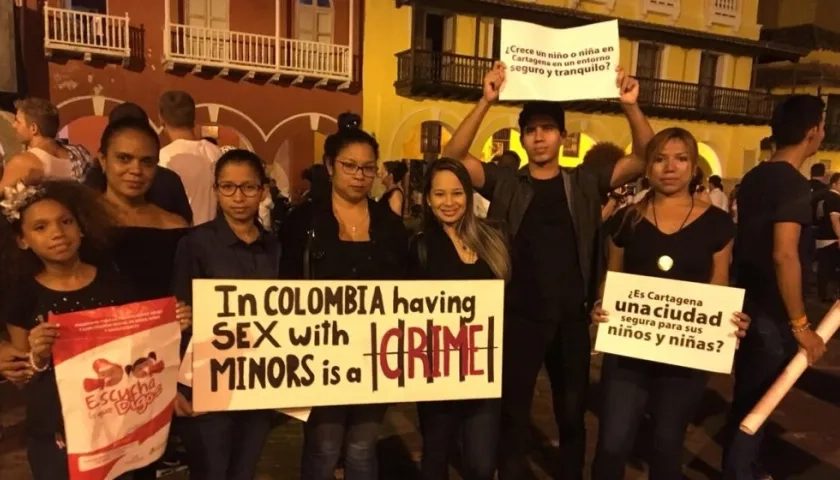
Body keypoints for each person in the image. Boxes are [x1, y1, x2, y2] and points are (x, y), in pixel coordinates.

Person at [441, 61, 653, 480]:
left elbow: (644, 157)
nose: (539, 137)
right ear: (522, 138)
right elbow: (453, 157)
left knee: (572, 415)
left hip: (571, 319)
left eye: (547, 129)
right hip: (518, 318)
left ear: (562, 135)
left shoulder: (585, 182)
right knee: (513, 415)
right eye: (531, 130)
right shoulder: (506, 182)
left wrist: (630, 105)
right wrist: (486, 100)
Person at [0, 180, 191, 479]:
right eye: (40, 227)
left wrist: (170, 325)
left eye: (66, 222)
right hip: (57, 431)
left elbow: (140, 349)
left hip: (118, 425)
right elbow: (22, 377)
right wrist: (37, 355)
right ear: (23, 240)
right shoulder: (22, 294)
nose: (57, 233)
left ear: (81, 227)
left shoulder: (115, 282)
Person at [589, 128, 750, 479]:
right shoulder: (626, 219)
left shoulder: (718, 224)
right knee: (613, 443)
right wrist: (601, 304)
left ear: (694, 166)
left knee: (666, 445)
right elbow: (612, 277)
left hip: (684, 358)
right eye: (660, 159)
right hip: (628, 354)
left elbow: (719, 285)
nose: (670, 167)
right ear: (648, 166)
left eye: (680, 159)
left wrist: (729, 322)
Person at [279, 125, 409, 480]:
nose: (359, 175)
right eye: (349, 165)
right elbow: (284, 284)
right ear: (330, 165)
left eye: (368, 167)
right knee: (324, 446)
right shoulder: (303, 222)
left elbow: (407, 286)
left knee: (362, 447)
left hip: (374, 354)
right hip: (319, 353)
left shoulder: (389, 225)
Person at [726, 94, 829, 480]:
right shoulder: (793, 184)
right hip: (773, 311)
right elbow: (784, 254)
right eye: (822, 126)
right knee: (761, 402)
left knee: (747, 395)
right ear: (811, 132)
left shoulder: (754, 177)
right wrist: (801, 325)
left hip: (748, 301)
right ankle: (740, 471)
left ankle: (749, 468)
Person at [171, 149, 278, 480]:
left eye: (248, 187)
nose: (238, 197)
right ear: (215, 190)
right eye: (228, 187)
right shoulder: (195, 244)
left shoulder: (276, 247)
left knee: (244, 470)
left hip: (259, 380)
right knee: (211, 471)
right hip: (206, 379)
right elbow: (178, 318)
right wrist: (176, 384)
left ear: (263, 190)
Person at [410, 158, 511, 480]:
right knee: (436, 457)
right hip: (436, 371)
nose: (449, 202)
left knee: (482, 463)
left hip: (482, 370)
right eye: (439, 194)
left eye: (456, 193)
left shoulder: (492, 238)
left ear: (468, 194)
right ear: (428, 199)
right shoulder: (420, 246)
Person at [85, 102, 194, 224]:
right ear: (103, 159)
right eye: (124, 159)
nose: (136, 170)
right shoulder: (80, 220)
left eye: (146, 161)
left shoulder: (173, 225)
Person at [159, 91, 222, 225]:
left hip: (182, 233)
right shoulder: (215, 152)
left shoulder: (164, 157)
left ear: (161, 119)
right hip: (212, 232)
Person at [1, 98, 75, 188]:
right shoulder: (74, 158)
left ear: (33, 128)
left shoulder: (22, 162)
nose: (14, 125)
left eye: (18, 122)